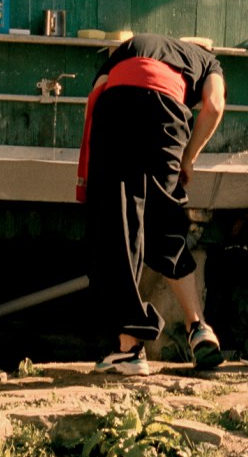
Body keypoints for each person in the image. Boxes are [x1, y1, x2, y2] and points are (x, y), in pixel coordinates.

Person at [77, 33, 227, 375]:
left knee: (118, 223)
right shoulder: (208, 62)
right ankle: (199, 327)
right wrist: (188, 158)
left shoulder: (134, 43)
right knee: (166, 220)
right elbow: (214, 105)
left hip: (117, 106)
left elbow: (99, 88)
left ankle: (130, 347)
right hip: (168, 112)